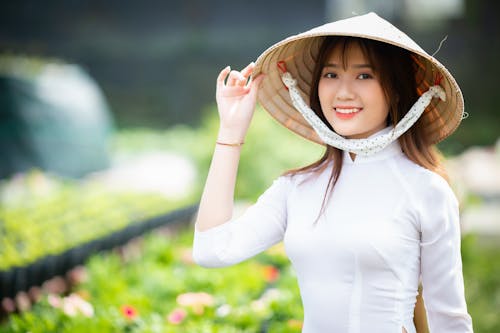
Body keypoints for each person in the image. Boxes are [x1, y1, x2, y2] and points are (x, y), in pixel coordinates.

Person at [192, 12, 473, 333]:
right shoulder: (296, 188)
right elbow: (211, 250)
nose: (343, 92)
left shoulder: (427, 190)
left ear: (396, 90)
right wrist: (230, 132)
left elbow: (449, 321)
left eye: (364, 76)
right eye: (331, 75)